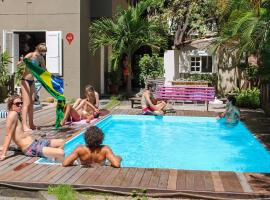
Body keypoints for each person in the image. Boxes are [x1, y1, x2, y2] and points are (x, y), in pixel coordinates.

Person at [0, 95, 65, 161]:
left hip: (35, 143)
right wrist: (3, 154)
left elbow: (18, 134)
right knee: (61, 152)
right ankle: (54, 156)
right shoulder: (12, 114)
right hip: (31, 148)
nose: (20, 105)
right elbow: (8, 135)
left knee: (62, 142)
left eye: (21, 103)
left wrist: (27, 134)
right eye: (17, 104)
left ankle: (53, 156)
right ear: (11, 105)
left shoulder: (16, 114)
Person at [16, 43, 47, 132]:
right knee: (26, 103)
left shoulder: (40, 58)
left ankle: (31, 124)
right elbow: (18, 64)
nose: (42, 55)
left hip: (32, 81)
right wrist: (22, 61)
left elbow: (44, 70)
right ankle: (24, 125)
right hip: (25, 80)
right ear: (38, 50)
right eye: (42, 52)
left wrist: (51, 78)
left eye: (43, 53)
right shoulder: (30, 55)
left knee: (32, 101)